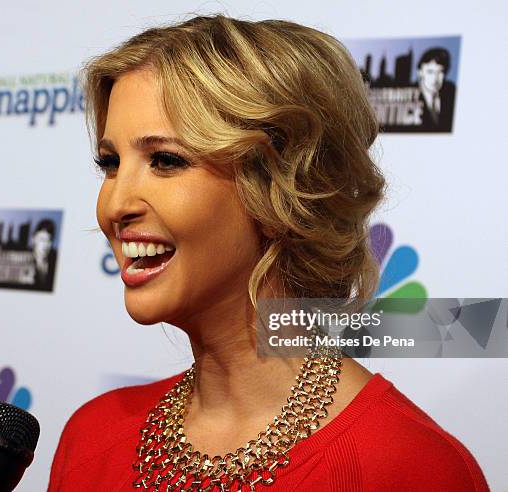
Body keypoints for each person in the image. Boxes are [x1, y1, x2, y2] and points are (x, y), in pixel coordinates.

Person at [48, 15, 489, 491]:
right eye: (110, 164)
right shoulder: (93, 438)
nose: (114, 205)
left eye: (166, 160)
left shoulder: (409, 467)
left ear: (282, 186)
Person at [416, 47, 456, 132]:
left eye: (440, 72)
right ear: (420, 72)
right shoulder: (409, 94)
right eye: (430, 72)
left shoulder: (452, 92)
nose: (435, 78)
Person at [31, 219, 57, 290]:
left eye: (49, 240)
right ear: (34, 239)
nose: (46, 245)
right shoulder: (23, 260)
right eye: (42, 240)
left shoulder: (55, 263)